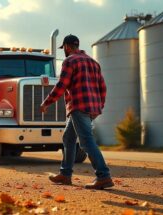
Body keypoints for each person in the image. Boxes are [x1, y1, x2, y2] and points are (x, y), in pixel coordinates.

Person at [40, 34, 114, 189]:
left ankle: (103, 176)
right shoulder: (94, 62)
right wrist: (99, 107)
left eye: (64, 48)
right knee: (68, 138)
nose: (64, 51)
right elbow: (103, 88)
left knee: (86, 142)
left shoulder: (70, 61)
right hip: (91, 107)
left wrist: (47, 102)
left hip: (78, 106)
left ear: (67, 46)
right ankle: (65, 175)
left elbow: (61, 85)